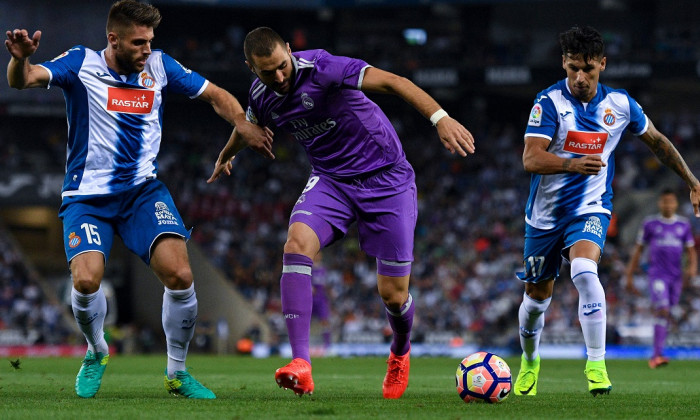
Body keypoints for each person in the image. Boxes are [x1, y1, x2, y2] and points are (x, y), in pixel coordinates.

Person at [5, 0, 273, 399]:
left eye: (150, 42)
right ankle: (97, 351)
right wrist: (21, 60)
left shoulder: (161, 67)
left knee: (180, 275)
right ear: (113, 39)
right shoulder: (80, 62)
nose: (147, 50)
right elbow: (22, 80)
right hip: (87, 196)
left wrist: (241, 123)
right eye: (138, 43)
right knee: (86, 278)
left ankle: (177, 374)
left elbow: (215, 94)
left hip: (142, 192)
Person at [208, 26, 475, 398]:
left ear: (289, 51)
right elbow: (248, 123)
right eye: (268, 72)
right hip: (331, 181)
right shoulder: (261, 95)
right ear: (252, 68)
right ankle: (301, 363)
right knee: (295, 246)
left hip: (387, 180)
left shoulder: (324, 67)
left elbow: (396, 82)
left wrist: (440, 118)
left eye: (283, 66)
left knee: (394, 297)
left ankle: (400, 351)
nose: (279, 77)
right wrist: (227, 154)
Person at [513, 25, 700, 397]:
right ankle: (530, 363)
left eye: (587, 69)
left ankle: (596, 365)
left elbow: (658, 143)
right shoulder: (548, 103)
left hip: (591, 208)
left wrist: (693, 181)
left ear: (602, 64)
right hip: (545, 217)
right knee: (536, 300)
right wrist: (571, 164)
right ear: (563, 65)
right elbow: (531, 158)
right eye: (571, 69)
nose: (579, 78)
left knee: (584, 270)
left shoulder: (621, 104)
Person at [625, 189, 697, 368]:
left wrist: (692, 268)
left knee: (667, 313)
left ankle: (658, 353)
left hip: (676, 276)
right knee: (663, 309)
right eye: (664, 201)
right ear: (660, 203)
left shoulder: (684, 225)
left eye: (671, 201)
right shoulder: (650, 224)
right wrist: (629, 274)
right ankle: (656, 356)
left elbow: (691, 251)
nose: (667, 205)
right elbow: (638, 250)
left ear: (676, 204)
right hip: (657, 275)